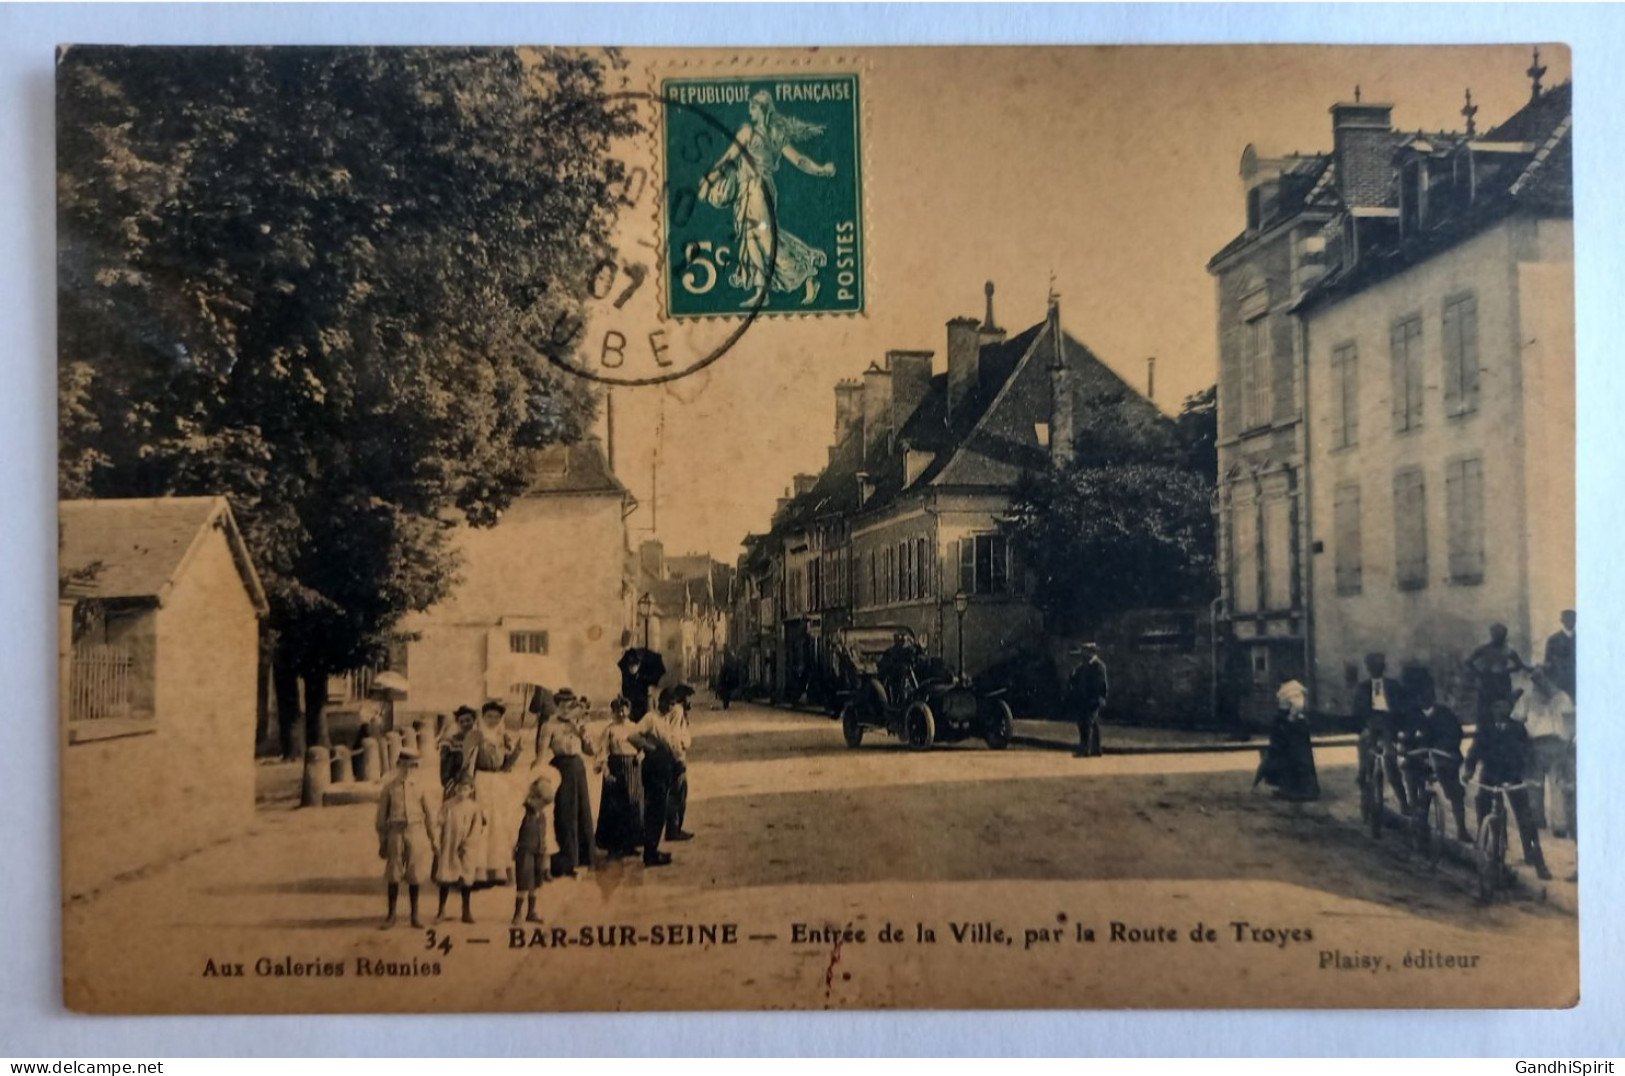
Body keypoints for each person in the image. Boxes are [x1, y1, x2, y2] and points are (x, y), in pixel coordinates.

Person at [700, 90, 837, 308]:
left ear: (762, 109)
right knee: (750, 236)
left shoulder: (750, 132)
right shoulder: (775, 135)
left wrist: (709, 180)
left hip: (757, 189)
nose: (750, 111)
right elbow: (800, 160)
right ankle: (761, 291)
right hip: (753, 189)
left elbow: (729, 158)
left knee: (765, 238)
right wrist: (820, 169)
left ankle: (806, 275)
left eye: (753, 107)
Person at [1465, 697, 1552, 880]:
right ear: (1492, 709)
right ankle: (1486, 848)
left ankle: (1538, 861)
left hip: (1513, 776)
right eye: (1497, 706)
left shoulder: (1518, 729)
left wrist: (1531, 776)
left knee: (1525, 818)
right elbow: (1474, 752)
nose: (1500, 710)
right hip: (1490, 775)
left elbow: (1529, 754)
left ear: (1510, 708)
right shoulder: (1485, 729)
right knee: (1483, 806)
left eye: (1504, 706)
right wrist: (1468, 770)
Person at [375, 742, 438, 929]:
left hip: (415, 831)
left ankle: (415, 915)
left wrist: (433, 839)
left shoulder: (420, 787)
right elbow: (380, 818)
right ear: (398, 765)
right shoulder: (389, 788)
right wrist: (383, 840)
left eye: (412, 765)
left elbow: (429, 815)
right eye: (404, 765)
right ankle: (391, 915)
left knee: (415, 873)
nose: (408, 769)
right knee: (394, 873)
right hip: (395, 832)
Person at [1403, 676, 1472, 843]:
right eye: (1420, 696)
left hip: (1442, 758)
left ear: (1433, 697)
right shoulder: (1412, 716)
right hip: (1420, 760)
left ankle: (1461, 829)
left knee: (1455, 791)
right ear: (1417, 698)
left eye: (1428, 695)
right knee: (1412, 779)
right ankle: (1418, 822)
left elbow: (1456, 735)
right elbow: (1407, 739)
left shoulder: (1445, 714)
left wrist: (1442, 748)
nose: (1424, 699)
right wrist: (1409, 748)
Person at [536, 689, 596, 877]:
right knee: (565, 814)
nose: (565, 708)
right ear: (556, 705)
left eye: (569, 705)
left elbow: (591, 751)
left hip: (578, 767)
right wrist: (539, 773)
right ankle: (565, 863)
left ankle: (584, 859)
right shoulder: (549, 725)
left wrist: (583, 733)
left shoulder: (577, 724)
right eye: (561, 704)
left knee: (582, 811)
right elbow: (542, 753)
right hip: (561, 768)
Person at [1513, 668, 1577, 838]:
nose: (1539, 683)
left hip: (1553, 744)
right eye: (1536, 680)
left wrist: (1569, 742)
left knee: (1552, 784)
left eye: (1541, 679)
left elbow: (1516, 717)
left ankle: (1557, 824)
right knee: (1538, 784)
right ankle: (1542, 820)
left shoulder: (1560, 697)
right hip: (1540, 744)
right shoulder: (1532, 697)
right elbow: (1517, 718)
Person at [468, 699, 522, 886]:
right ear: (483, 717)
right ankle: (479, 870)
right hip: (481, 780)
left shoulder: (503, 737)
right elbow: (469, 762)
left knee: (499, 824)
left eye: (496, 717)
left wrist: (517, 751)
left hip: (498, 781)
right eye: (489, 716)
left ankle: (498, 869)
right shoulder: (476, 735)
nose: (493, 720)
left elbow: (507, 765)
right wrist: (469, 784)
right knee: (482, 825)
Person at [633, 690, 684, 867]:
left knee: (660, 811)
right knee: (654, 810)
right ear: (660, 702)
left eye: (672, 704)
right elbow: (632, 735)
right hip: (653, 768)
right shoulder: (650, 718)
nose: (670, 707)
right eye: (668, 703)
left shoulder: (664, 720)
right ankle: (650, 854)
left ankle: (653, 849)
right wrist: (650, 747)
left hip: (663, 768)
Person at [1352, 652, 1410, 812]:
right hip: (1370, 726)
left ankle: (1403, 802)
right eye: (1372, 667)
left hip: (1388, 726)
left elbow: (1402, 710)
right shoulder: (1362, 688)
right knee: (1365, 764)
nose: (1375, 669)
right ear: (1368, 668)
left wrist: (1400, 730)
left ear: (1383, 668)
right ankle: (1365, 799)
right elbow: (1356, 713)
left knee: (1391, 761)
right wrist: (1362, 727)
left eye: (1379, 666)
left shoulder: (1393, 686)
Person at [594, 696, 646, 858]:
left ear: (629, 711)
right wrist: (606, 771)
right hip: (615, 767)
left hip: (632, 768)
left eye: (624, 710)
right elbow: (602, 752)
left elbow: (644, 747)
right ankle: (613, 847)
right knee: (614, 807)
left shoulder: (634, 728)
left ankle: (630, 844)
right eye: (617, 710)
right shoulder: (609, 730)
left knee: (633, 804)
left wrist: (641, 755)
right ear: (613, 712)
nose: (621, 713)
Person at [1255, 672, 1318, 801]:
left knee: (1296, 756)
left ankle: (1302, 789)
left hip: (1291, 726)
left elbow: (1298, 705)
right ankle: (1288, 788)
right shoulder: (1289, 687)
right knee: (1285, 756)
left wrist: (1291, 717)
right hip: (1285, 725)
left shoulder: (1292, 688)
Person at [433, 776, 486, 924]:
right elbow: (439, 823)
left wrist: (467, 844)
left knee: (466, 878)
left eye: (466, 789)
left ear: (471, 790)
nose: (462, 791)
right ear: (455, 789)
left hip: (466, 848)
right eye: (460, 788)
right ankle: (441, 911)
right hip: (449, 845)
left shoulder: (475, 807)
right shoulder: (448, 805)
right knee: (445, 878)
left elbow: (477, 829)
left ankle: (466, 911)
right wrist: (437, 842)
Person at [1466, 623, 1528, 725]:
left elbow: (1519, 665)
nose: (1499, 637)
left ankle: (1503, 731)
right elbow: (1468, 661)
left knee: (1503, 708)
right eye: (1496, 634)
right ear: (1492, 635)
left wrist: (1507, 671)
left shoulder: (1508, 650)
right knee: (1485, 710)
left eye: (1501, 635)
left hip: (1502, 682)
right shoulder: (1484, 649)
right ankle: (1484, 732)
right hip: (1487, 682)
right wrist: (1480, 673)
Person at [513, 775, 554, 925]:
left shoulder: (542, 814)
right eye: (542, 803)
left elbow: (546, 833)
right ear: (533, 797)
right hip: (524, 851)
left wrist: (545, 848)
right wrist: (513, 846)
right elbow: (514, 830)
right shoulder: (522, 812)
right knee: (524, 882)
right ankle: (517, 913)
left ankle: (532, 912)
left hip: (539, 850)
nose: (543, 807)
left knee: (536, 883)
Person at [665, 684, 697, 842]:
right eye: (688, 698)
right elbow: (673, 735)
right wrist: (677, 756)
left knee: (678, 793)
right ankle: (673, 830)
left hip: (677, 754)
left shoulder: (679, 711)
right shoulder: (677, 711)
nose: (690, 703)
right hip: (676, 756)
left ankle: (675, 828)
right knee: (677, 793)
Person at [1067, 644, 1109, 759]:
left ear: (1092, 653)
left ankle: (1084, 748)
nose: (1084, 655)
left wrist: (1100, 697)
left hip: (1094, 699)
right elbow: (1074, 680)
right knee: (1091, 723)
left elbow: (1101, 684)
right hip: (1083, 699)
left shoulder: (1099, 666)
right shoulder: (1082, 667)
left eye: (1087, 652)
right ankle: (1096, 749)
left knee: (1087, 723)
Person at [439, 705, 478, 788]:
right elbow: (445, 775)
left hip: (478, 786)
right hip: (456, 788)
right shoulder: (450, 744)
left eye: (468, 720)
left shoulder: (479, 741)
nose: (465, 724)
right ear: (457, 723)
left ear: (474, 721)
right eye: (461, 721)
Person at [1543, 609, 1577, 701]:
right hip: (1560, 680)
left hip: (1576, 679)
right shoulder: (1554, 639)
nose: (1571, 622)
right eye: (1568, 619)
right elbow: (1548, 661)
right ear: (1562, 621)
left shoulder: (1580, 638)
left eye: (1573, 619)